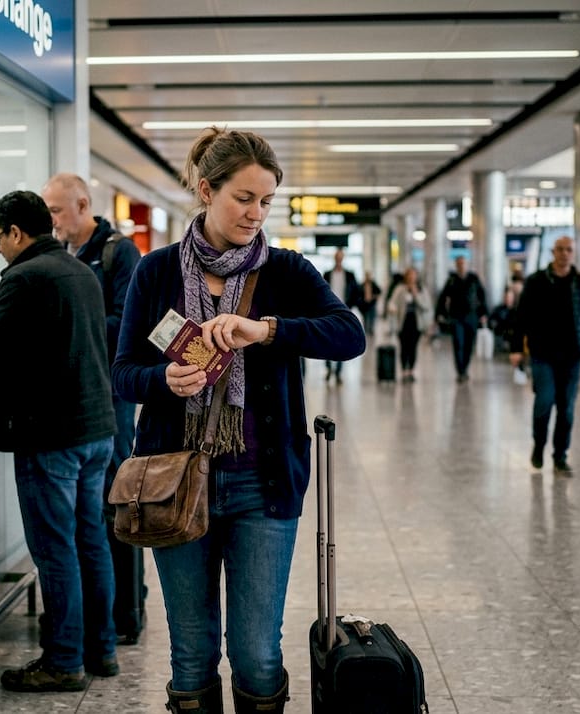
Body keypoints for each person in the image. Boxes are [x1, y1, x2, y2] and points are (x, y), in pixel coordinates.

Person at [112, 127, 365, 714]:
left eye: (267, 200)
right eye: (243, 198)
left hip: (262, 484)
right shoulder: (154, 274)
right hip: (174, 480)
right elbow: (123, 370)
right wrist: (162, 380)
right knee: (192, 652)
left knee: (255, 652)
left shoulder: (285, 272)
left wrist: (268, 329)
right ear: (207, 190)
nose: (256, 213)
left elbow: (348, 334)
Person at [0, 190, 118, 693]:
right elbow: (37, 337)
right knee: (91, 541)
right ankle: (102, 650)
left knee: (55, 550)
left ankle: (63, 661)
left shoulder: (24, 276)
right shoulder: (78, 271)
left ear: (15, 232)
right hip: (95, 428)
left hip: (50, 434)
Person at [41, 172, 147, 645]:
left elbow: (128, 324)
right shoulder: (62, 255)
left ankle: (126, 610)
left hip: (112, 397)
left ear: (83, 205)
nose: (52, 221)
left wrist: (69, 326)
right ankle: (95, 612)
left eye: (57, 212)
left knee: (116, 501)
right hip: (76, 399)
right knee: (89, 512)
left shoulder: (117, 253)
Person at [509, 235, 580, 474]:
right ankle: (539, 445)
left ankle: (560, 455)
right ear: (553, 252)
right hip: (542, 353)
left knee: (567, 409)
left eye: (569, 250)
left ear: (573, 253)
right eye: (560, 249)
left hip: (572, 355)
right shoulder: (537, 281)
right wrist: (516, 347)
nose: (564, 254)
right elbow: (522, 316)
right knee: (544, 401)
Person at [436, 255, 488, 382]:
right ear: (456, 265)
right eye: (459, 263)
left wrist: (483, 314)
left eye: (463, 263)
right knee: (458, 343)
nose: (461, 265)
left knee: (469, 344)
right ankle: (460, 371)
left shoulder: (473, 279)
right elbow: (443, 297)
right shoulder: (452, 279)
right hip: (456, 316)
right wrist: (439, 313)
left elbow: (482, 297)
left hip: (471, 317)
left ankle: (465, 367)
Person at [386, 266, 432, 383]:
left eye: (413, 275)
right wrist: (392, 308)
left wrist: (416, 294)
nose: (411, 278)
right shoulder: (400, 289)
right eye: (409, 275)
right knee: (403, 347)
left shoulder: (421, 289)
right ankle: (404, 370)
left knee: (413, 347)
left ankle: (411, 370)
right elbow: (392, 302)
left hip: (416, 323)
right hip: (403, 322)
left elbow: (426, 306)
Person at [321, 248, 361, 383]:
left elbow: (355, 291)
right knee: (327, 340)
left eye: (340, 257)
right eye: (337, 257)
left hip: (344, 310)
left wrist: (350, 306)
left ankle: (338, 372)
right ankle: (328, 368)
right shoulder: (327, 274)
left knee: (341, 341)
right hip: (328, 311)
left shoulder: (350, 275)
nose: (339, 259)